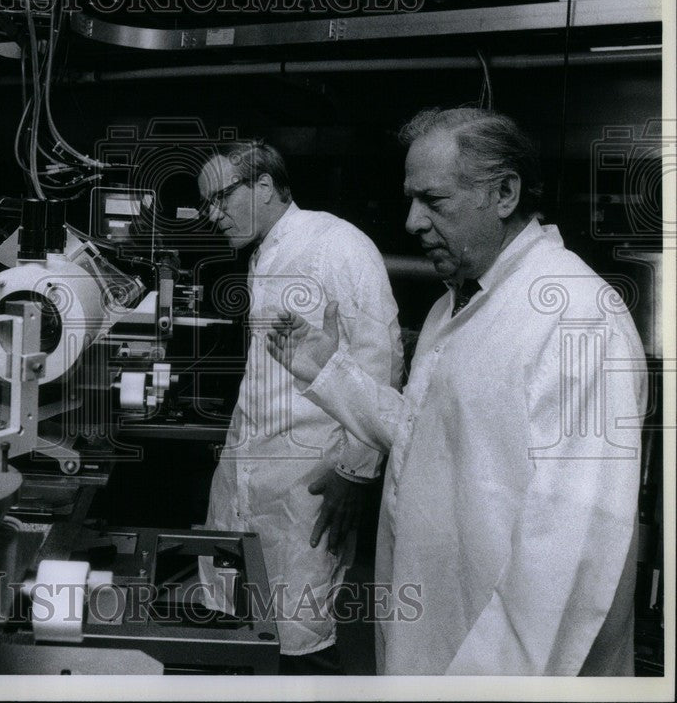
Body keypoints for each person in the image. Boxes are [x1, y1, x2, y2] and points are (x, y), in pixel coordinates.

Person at [266, 108, 647, 675]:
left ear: (504, 193)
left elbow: (570, 547)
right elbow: (430, 437)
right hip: (436, 640)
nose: (413, 222)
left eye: (434, 201)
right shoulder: (455, 306)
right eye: (410, 200)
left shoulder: (574, 315)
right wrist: (330, 371)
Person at [196, 140, 404, 673]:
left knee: (300, 640)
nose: (212, 216)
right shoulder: (265, 256)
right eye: (207, 205)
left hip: (307, 482)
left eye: (219, 199)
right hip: (248, 471)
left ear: (264, 185)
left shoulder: (337, 243)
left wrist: (355, 473)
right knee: (235, 629)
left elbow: (381, 357)